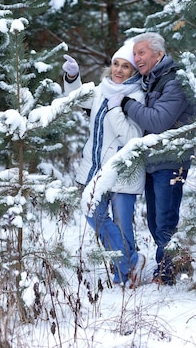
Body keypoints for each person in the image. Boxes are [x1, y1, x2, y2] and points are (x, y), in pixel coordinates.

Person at [110, 32, 196, 286]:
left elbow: (159, 121)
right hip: (153, 160)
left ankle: (166, 274)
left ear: (158, 54)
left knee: (165, 219)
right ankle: (177, 261)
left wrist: (127, 104)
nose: (137, 58)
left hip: (171, 159)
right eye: (134, 53)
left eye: (141, 53)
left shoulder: (174, 81)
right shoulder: (150, 80)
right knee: (156, 220)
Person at [62, 43, 147, 288]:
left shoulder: (137, 96)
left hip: (123, 172)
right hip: (95, 169)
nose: (119, 70)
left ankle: (124, 276)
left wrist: (115, 110)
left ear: (134, 70)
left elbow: (132, 138)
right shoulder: (102, 90)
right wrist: (72, 77)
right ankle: (132, 261)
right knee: (93, 213)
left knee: (122, 226)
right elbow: (77, 98)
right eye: (116, 64)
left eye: (126, 66)